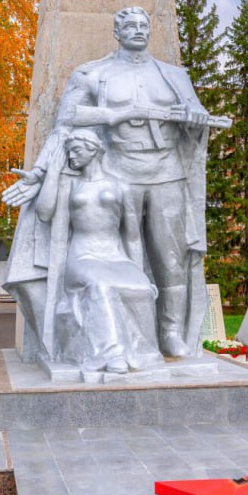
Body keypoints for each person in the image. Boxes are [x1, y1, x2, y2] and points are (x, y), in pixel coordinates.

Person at [3, 6, 222, 363]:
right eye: (130, 25)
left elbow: (193, 120)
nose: (138, 30)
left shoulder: (173, 75)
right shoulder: (93, 74)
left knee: (172, 259)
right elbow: (67, 121)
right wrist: (114, 116)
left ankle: (169, 332)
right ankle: (139, 334)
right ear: (116, 33)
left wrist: (196, 120)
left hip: (168, 171)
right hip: (119, 172)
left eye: (144, 25)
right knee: (127, 257)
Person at [38, 129, 162, 378]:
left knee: (141, 288)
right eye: (69, 151)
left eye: (76, 150)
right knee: (100, 285)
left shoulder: (121, 186)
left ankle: (143, 353)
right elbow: (44, 211)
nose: (71, 155)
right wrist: (53, 170)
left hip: (115, 256)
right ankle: (112, 353)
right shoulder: (70, 184)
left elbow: (133, 236)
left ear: (93, 149)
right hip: (82, 255)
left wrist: (140, 272)